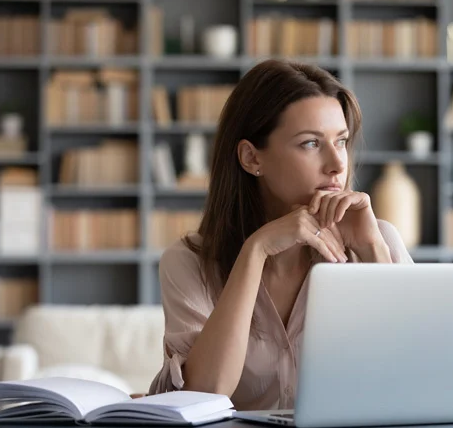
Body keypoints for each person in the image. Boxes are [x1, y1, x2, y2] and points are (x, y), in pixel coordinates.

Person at [147, 59, 414, 410]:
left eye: (342, 141)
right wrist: (254, 251)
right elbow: (204, 393)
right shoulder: (188, 262)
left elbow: (415, 375)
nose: (337, 163)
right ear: (251, 158)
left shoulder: (377, 239)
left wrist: (372, 250)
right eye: (310, 144)